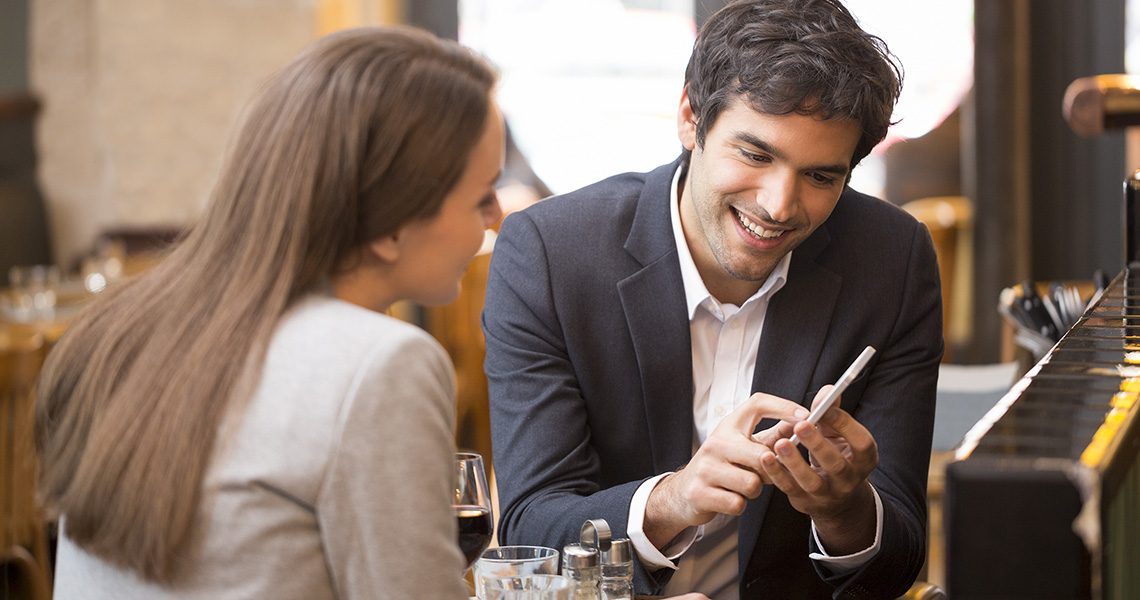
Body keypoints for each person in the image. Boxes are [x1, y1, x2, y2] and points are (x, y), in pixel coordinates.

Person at [482, 1, 943, 599]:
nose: (779, 205)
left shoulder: (891, 260)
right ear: (689, 118)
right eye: (755, 154)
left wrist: (845, 511)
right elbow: (531, 531)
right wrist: (673, 499)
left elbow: (897, 560)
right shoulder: (551, 254)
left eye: (821, 177)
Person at [35, 26, 503, 599]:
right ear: (393, 222)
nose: (496, 217)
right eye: (483, 193)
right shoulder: (380, 364)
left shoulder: (117, 330)